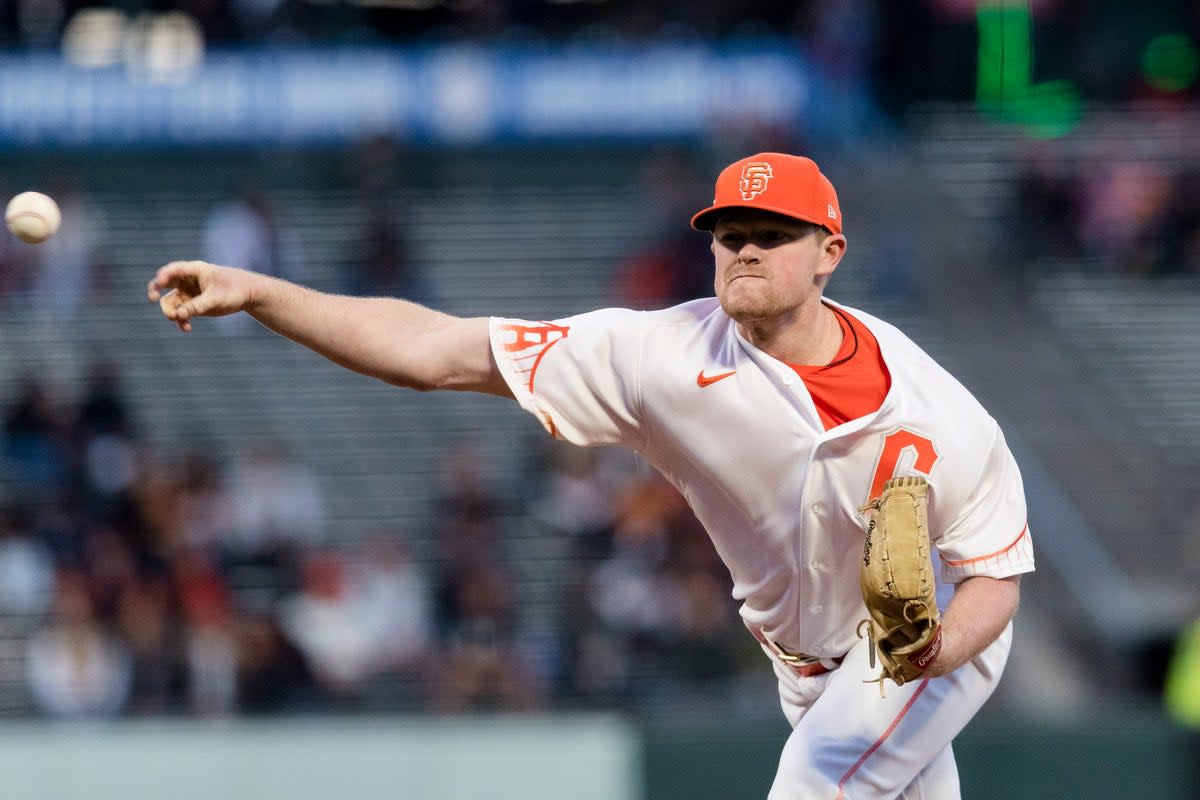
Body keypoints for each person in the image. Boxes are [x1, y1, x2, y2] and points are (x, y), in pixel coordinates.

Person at [147, 152, 1035, 799]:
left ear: (829, 252)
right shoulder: (657, 357)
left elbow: (996, 577)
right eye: (730, 235)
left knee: (817, 782)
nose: (745, 252)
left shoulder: (934, 409)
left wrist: (927, 652)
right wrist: (263, 293)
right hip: (802, 664)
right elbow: (431, 351)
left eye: (772, 235)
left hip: (924, 633)